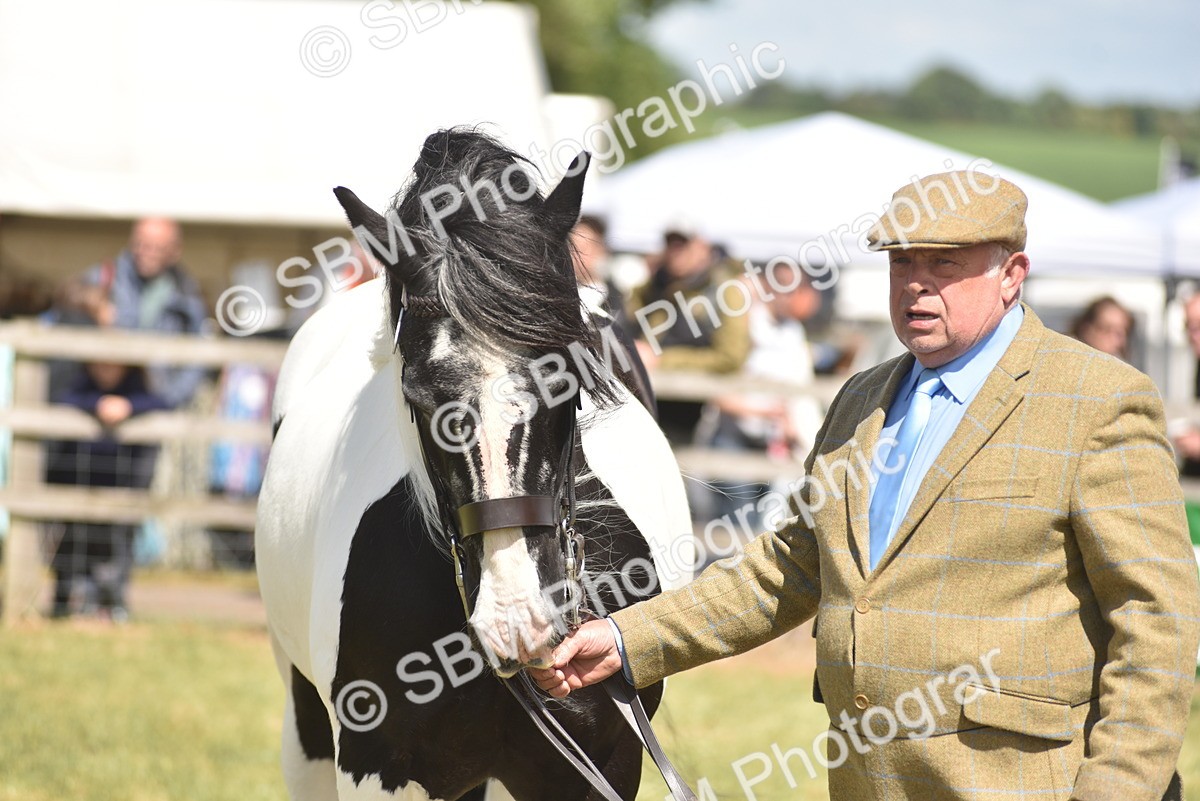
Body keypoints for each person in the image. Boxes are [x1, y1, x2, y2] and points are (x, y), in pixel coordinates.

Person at [533, 171, 1200, 800]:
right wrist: (625, 638)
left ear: (1011, 276)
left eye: (945, 264)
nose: (916, 285)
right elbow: (788, 567)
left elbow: (1157, 624)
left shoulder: (1100, 400)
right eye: (902, 262)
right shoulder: (862, 400)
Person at [46, 356, 169, 619]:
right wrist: (97, 404)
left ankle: (114, 602)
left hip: (123, 485)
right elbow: (61, 398)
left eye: (113, 364)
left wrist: (129, 406)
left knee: (117, 546)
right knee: (73, 545)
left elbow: (161, 403)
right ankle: (65, 600)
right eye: (100, 363)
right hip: (78, 484)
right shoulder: (81, 384)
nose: (106, 370)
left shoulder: (137, 389)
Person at [52, 217, 207, 408]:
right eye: (141, 244)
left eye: (156, 247)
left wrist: (172, 399)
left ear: (175, 251)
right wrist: (94, 305)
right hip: (105, 395)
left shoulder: (186, 294)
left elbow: (199, 354)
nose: (146, 253)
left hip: (155, 396)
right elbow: (64, 305)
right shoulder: (106, 277)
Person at [626, 220, 750, 442]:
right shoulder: (660, 284)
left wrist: (661, 360)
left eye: (683, 245)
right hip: (646, 400)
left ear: (702, 247)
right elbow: (632, 315)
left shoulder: (725, 290)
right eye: (671, 245)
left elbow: (731, 357)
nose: (676, 252)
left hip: (692, 412)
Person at [1070, 294, 1135, 361]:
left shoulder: (1124, 368)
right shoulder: (1068, 359)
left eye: (1124, 331)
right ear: (1086, 329)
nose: (1117, 341)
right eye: (1107, 329)